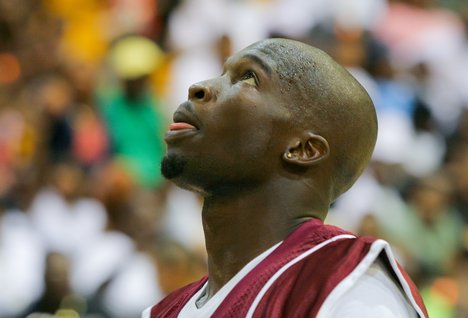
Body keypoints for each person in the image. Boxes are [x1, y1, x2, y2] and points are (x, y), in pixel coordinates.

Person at [143, 38, 428, 317]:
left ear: (303, 149)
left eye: (248, 78)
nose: (198, 87)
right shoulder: (162, 311)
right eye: (222, 72)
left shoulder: (349, 288)